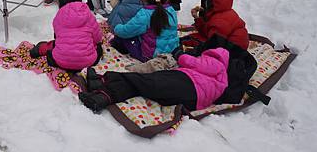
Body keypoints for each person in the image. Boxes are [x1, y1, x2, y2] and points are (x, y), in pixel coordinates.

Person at [78, 48, 229, 113]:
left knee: (144, 80)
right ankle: (102, 97)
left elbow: (190, 62)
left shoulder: (217, 64)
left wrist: (180, 55)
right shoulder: (220, 79)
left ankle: (104, 79)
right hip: (191, 99)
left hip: (187, 83)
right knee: (141, 87)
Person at [29, 0, 103, 71]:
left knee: (55, 45)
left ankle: (41, 49)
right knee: (99, 48)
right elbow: (98, 38)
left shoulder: (58, 16)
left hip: (61, 62)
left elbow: (57, 38)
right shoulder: (88, 14)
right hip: (88, 62)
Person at [111, 0, 179, 62]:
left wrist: (117, 27)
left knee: (122, 36)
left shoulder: (145, 14)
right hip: (172, 52)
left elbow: (126, 31)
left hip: (151, 56)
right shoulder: (171, 10)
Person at [185, 0, 249, 50]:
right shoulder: (227, 12)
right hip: (233, 47)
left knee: (190, 39)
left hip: (232, 52)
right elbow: (208, 31)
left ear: (211, 2)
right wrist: (197, 18)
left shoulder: (219, 21)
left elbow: (213, 45)